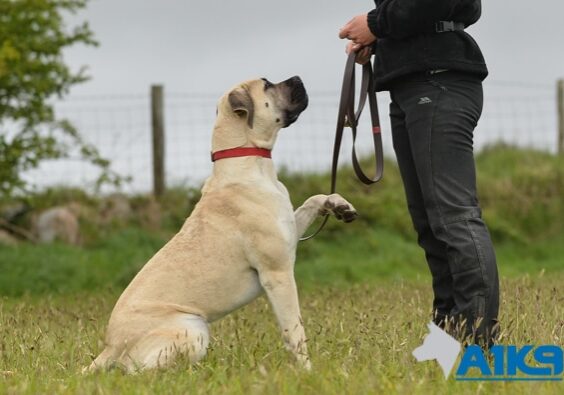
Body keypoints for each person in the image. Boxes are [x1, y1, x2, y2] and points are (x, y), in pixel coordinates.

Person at [339, 0, 499, 346]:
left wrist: (375, 22)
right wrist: (380, 40)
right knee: (430, 223)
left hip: (438, 82)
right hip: (414, 83)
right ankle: (447, 337)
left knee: (454, 217)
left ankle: (480, 342)